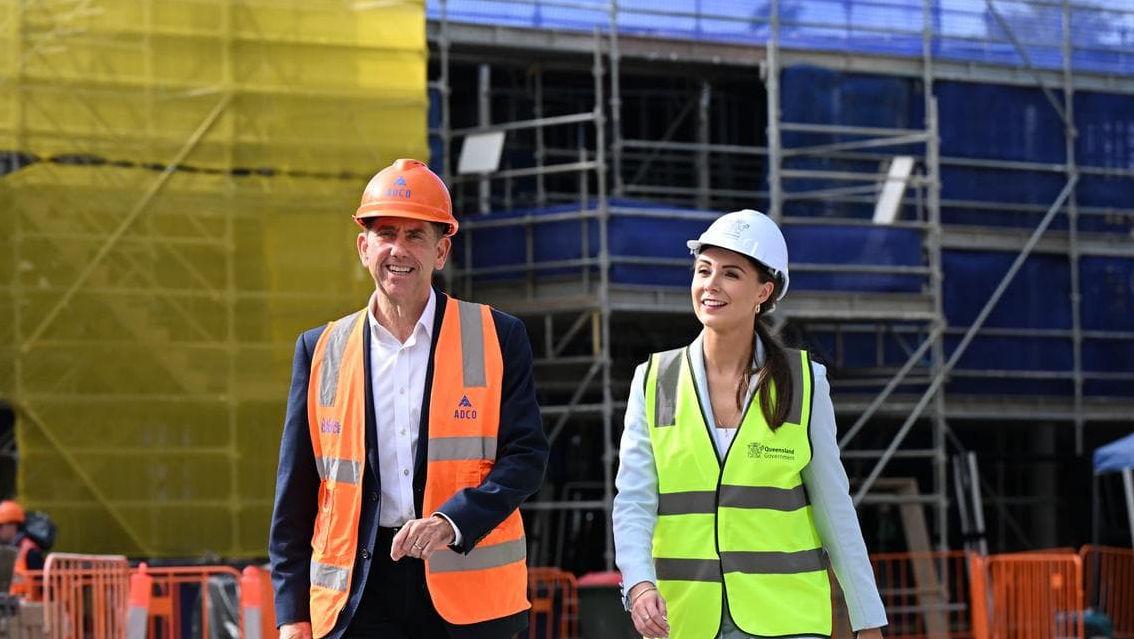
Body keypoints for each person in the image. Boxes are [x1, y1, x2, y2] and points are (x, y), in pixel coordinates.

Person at [268, 158, 549, 639]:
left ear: (441, 251)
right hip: (358, 595)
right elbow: (296, 492)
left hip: (468, 595)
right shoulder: (321, 349)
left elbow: (526, 458)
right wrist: (292, 614)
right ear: (364, 247)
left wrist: (451, 522)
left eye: (415, 235)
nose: (398, 249)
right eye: (386, 234)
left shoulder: (497, 336)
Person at [612, 209, 888, 639]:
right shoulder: (655, 381)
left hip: (787, 619)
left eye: (731, 274)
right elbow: (634, 501)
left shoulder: (804, 383)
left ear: (764, 291)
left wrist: (867, 618)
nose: (711, 284)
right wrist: (638, 583)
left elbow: (835, 509)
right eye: (704, 270)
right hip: (684, 618)